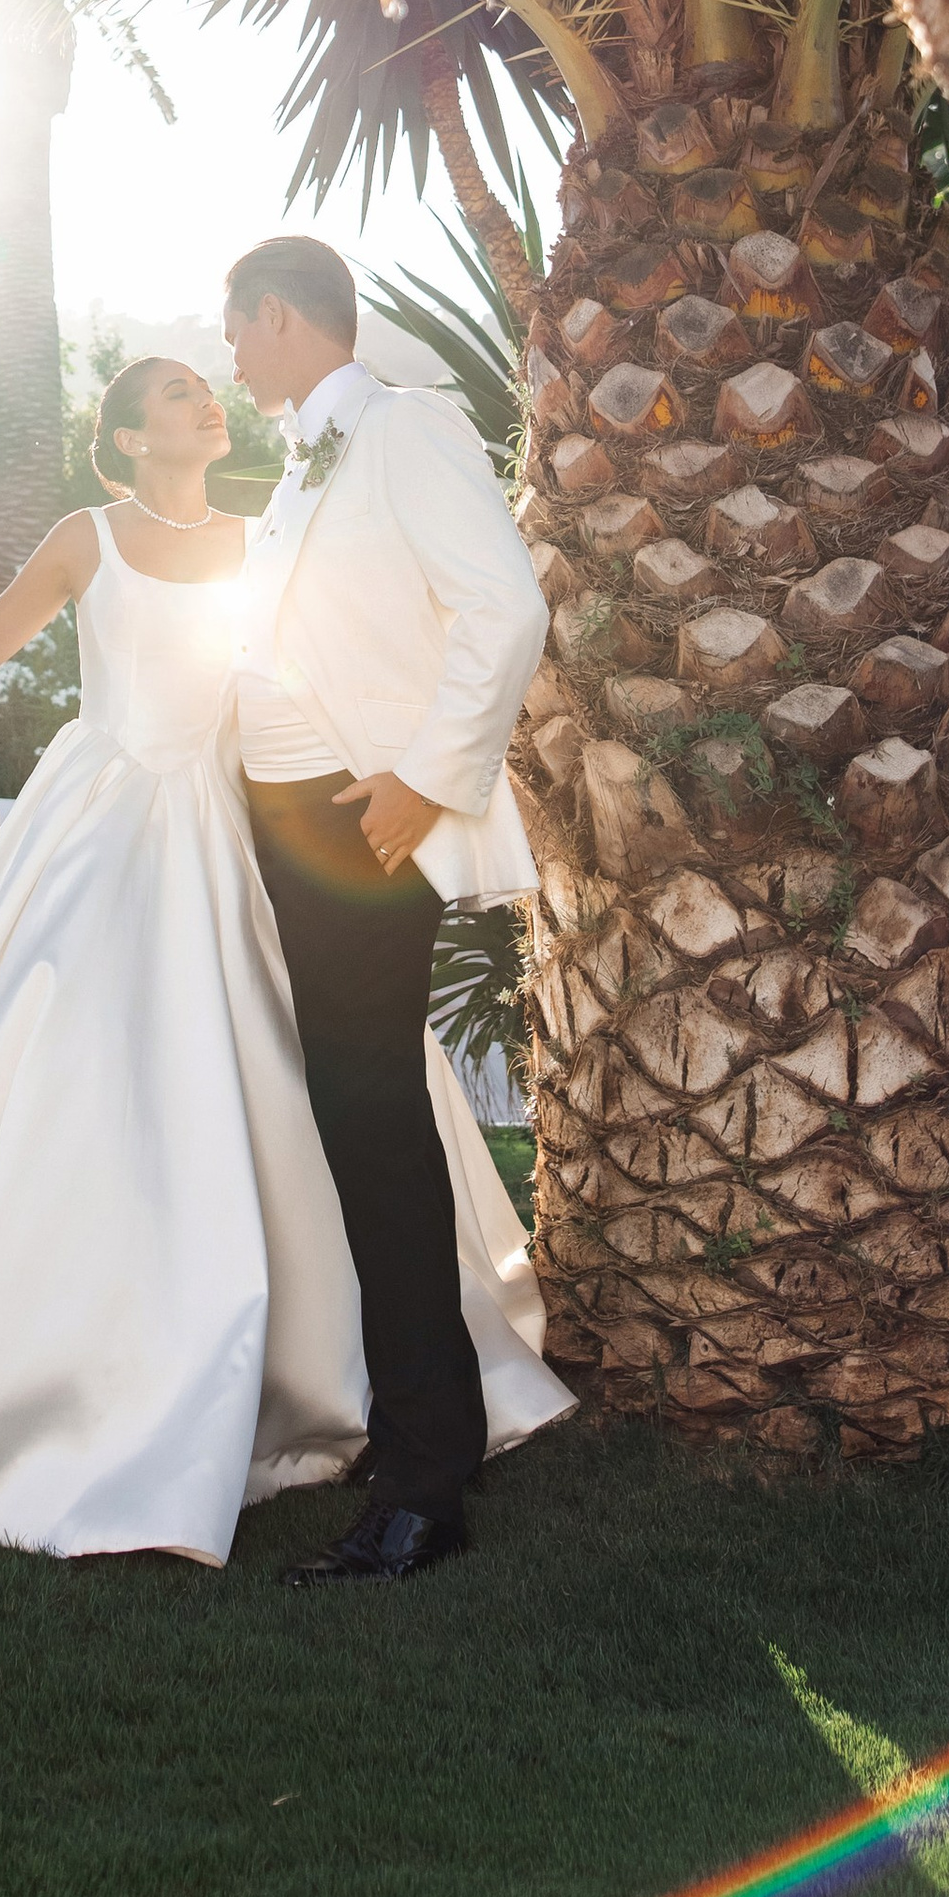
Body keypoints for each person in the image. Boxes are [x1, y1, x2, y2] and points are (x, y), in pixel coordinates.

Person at [0, 341, 569, 1569]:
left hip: (241, 827)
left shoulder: (271, 532)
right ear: (128, 441)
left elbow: (345, 656)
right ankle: (63, 1365)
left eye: (204, 386)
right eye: (172, 396)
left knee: (280, 1085)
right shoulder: (83, 537)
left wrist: (415, 763)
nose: (205, 398)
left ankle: (312, 1359)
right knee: (83, 1085)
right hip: (102, 836)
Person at [219, 235, 556, 1585]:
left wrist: (427, 779)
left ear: (284, 320)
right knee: (354, 1129)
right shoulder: (300, 460)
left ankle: (428, 1480)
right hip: (289, 823)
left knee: (376, 1132)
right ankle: (409, 1427)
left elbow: (506, 607)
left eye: (235, 329)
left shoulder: (404, 427)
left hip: (368, 826)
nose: (229, 356)